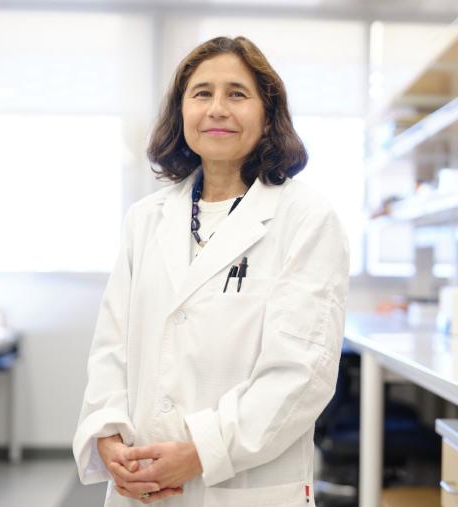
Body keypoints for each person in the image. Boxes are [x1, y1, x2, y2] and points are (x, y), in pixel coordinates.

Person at [73, 35, 349, 506]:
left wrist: (202, 451)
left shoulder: (305, 218)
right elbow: (111, 347)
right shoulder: (146, 219)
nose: (217, 108)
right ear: (182, 112)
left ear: (267, 114)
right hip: (141, 484)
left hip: (246, 487)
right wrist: (106, 430)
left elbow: (301, 376)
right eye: (202, 93)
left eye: (237, 94)